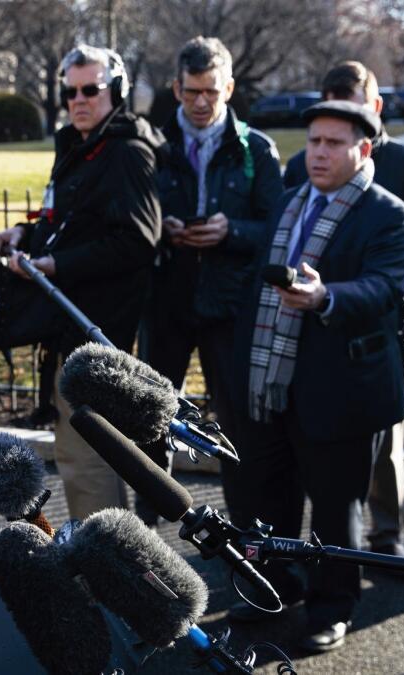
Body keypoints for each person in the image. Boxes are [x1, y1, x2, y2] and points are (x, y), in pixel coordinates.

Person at [226, 101, 404, 652]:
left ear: (364, 150)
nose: (319, 153)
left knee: (337, 510)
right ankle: (279, 587)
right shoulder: (289, 203)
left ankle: (334, 606)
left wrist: (325, 296)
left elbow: (384, 288)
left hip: (342, 391)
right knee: (272, 499)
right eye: (313, 142)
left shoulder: (390, 216)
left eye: (334, 143)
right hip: (272, 385)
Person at [281, 61, 404, 576]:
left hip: (387, 320)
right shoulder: (300, 169)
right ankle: (322, 549)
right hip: (311, 329)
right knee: (322, 456)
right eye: (320, 133)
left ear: (373, 110)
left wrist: (372, 253)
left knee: (382, 444)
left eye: (350, 109)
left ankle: (387, 536)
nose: (325, 148)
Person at [0, 44, 162, 520]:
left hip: (100, 329)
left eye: (92, 89)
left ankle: (110, 567)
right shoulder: (78, 145)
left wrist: (55, 265)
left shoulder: (126, 152)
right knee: (80, 451)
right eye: (71, 92)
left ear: (118, 92)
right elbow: (64, 216)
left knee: (88, 455)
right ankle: (109, 561)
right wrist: (25, 232)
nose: (79, 100)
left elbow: (138, 240)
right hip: (72, 323)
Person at [140, 36, 282, 526]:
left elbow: (277, 227)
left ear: (229, 88)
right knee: (151, 417)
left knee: (235, 421)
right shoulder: (153, 146)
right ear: (177, 88)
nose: (201, 103)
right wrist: (166, 231)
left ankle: (245, 528)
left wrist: (231, 231)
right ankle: (148, 535)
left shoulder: (256, 150)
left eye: (212, 92)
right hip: (168, 302)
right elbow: (136, 220)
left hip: (230, 306)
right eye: (192, 91)